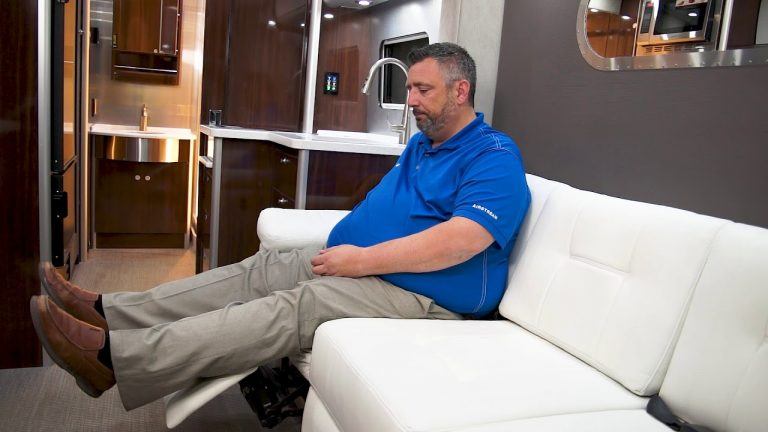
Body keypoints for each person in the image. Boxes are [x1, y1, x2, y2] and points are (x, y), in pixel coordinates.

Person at [30, 43, 531, 411]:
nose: (412, 100)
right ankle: (108, 310)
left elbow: (461, 241)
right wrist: (351, 247)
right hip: (372, 268)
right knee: (261, 270)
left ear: (460, 90)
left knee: (300, 304)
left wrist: (359, 260)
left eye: (423, 89)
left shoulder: (493, 155)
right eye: (410, 89)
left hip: (430, 297)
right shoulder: (423, 144)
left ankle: (114, 361)